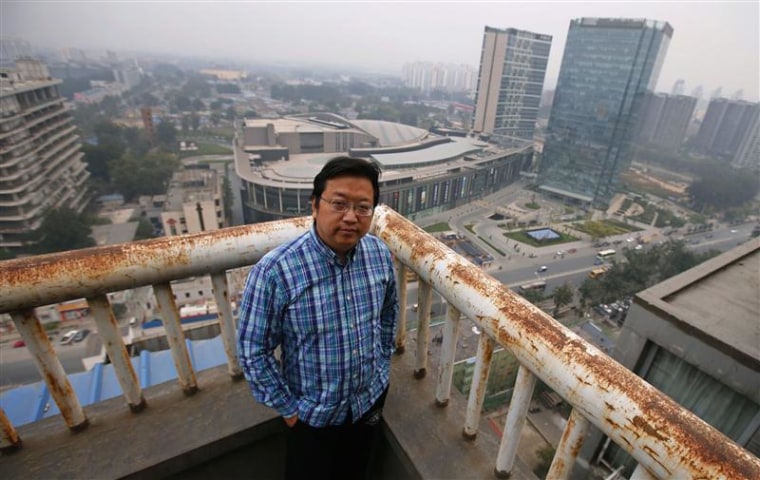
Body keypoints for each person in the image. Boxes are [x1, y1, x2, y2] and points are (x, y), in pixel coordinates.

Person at [238, 156, 399, 480]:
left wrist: (382, 364)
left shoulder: (378, 254)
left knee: (357, 471)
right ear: (314, 205)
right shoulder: (276, 271)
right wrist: (290, 410)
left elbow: (388, 313)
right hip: (313, 417)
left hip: (369, 401)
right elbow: (252, 351)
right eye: (339, 204)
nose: (351, 217)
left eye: (363, 207)